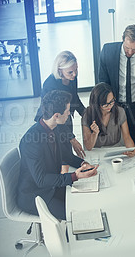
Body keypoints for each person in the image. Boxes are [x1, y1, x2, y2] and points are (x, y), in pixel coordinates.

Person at [18, 90, 98, 220]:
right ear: (56, 115)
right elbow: (41, 179)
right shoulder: (31, 140)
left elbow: (65, 155)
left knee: (87, 201)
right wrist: (74, 176)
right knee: (75, 216)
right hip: (36, 194)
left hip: (52, 186)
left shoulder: (56, 127)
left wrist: (83, 164)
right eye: (67, 111)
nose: (69, 113)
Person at [35, 51, 86, 166]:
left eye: (76, 69)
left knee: (67, 152)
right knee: (60, 154)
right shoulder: (50, 85)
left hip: (65, 115)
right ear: (59, 70)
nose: (75, 74)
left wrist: (86, 113)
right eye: (70, 72)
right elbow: (55, 116)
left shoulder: (72, 78)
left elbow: (75, 97)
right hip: (51, 121)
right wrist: (72, 138)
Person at [82, 83, 135, 157]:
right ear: (96, 104)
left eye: (112, 101)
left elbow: (126, 137)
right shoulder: (87, 115)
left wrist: (131, 149)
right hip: (97, 153)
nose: (110, 106)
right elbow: (88, 147)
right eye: (105, 104)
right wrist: (94, 133)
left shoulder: (120, 111)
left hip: (116, 151)